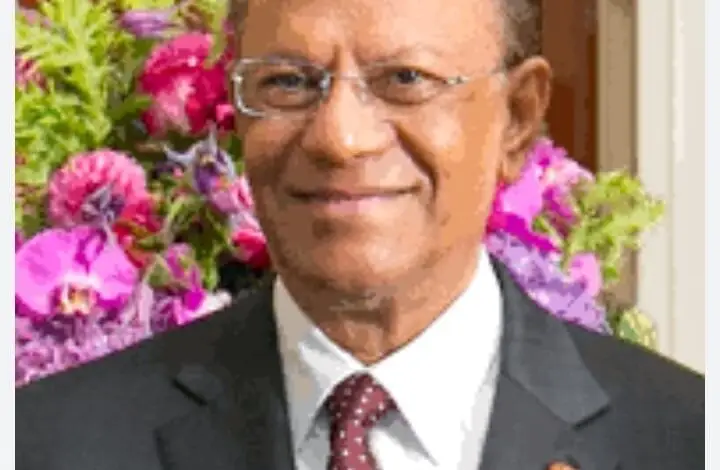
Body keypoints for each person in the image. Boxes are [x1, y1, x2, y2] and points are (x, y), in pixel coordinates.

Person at [16, 0, 704, 469]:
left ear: (518, 119)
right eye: (289, 82)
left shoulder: (683, 439)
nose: (340, 138)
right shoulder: (50, 444)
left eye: (405, 79)